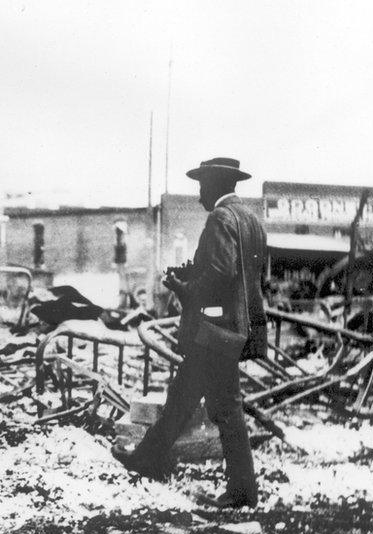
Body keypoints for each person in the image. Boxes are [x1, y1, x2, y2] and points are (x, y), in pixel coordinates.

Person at [112, 157, 268, 509]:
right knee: (185, 397)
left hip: (213, 332)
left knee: (221, 406)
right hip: (235, 330)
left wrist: (184, 287)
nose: (199, 193)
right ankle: (149, 459)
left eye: (201, 185)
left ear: (214, 184)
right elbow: (254, 280)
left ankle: (242, 490)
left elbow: (219, 274)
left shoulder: (220, 218)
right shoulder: (252, 221)